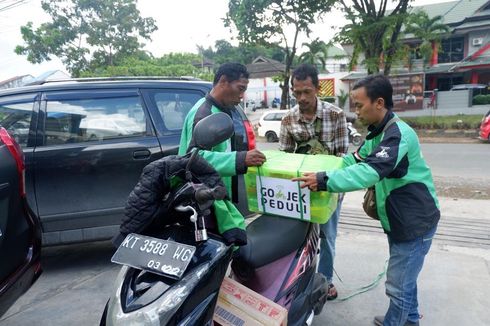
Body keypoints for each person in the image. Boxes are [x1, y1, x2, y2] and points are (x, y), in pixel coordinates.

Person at [293, 74, 440, 326]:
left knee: (397, 284)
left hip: (416, 221)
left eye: (360, 105)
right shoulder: (376, 134)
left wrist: (325, 180)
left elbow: (368, 172)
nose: (356, 112)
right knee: (405, 278)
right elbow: (354, 160)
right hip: (400, 218)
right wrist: (324, 165)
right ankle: (410, 319)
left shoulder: (397, 135)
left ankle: (397, 321)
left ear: (379, 103)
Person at [278, 63, 349, 300]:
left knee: (327, 237)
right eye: (297, 92)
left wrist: (335, 190)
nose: (302, 97)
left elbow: (342, 159)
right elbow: (284, 160)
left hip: (329, 188)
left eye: (307, 91)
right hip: (299, 188)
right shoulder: (288, 119)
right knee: (297, 235)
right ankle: (294, 279)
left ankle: (325, 281)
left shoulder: (336, 115)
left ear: (318, 88)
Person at [179, 62, 266, 246]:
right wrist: (241, 158)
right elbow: (193, 158)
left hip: (216, 197)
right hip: (204, 203)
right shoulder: (204, 112)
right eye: (240, 89)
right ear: (224, 81)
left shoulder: (221, 110)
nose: (242, 96)